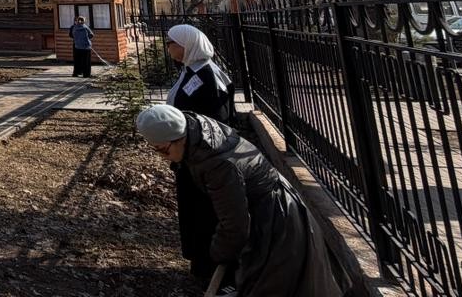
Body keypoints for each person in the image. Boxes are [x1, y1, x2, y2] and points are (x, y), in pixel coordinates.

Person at [136, 105, 342, 296]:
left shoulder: (219, 166)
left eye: (163, 150)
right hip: (266, 209)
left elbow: (235, 226)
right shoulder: (196, 129)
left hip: (276, 222)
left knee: (275, 286)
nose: (162, 157)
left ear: (179, 137)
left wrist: (217, 254)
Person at [164, 23, 237, 283]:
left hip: (203, 157)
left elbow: (216, 119)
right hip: (190, 154)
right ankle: (201, 264)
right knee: (195, 211)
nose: (168, 48)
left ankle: (214, 270)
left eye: (171, 43)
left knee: (205, 212)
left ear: (187, 46)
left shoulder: (207, 76)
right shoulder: (192, 70)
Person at [166, 24, 233, 123]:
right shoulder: (191, 68)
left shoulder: (207, 75)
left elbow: (219, 117)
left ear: (185, 44)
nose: (168, 48)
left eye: (168, 43)